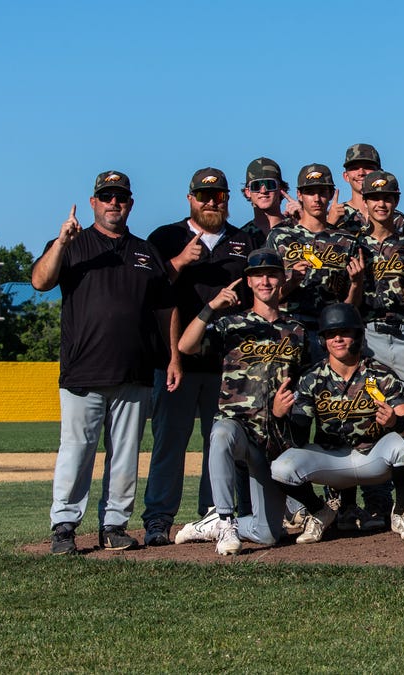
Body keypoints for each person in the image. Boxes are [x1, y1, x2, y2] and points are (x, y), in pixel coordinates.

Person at [33, 170, 177, 554]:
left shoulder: (146, 251)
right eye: (107, 196)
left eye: (121, 197)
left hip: (135, 370)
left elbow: (165, 309)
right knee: (77, 450)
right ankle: (64, 524)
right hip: (84, 370)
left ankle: (114, 524)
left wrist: (173, 357)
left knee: (126, 453)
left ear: (130, 203)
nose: (115, 203)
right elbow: (40, 282)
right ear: (94, 201)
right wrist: (61, 241)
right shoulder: (73, 245)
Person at [143, 167, 257, 547]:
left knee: (218, 442)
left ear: (227, 198)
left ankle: (214, 512)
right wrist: (178, 262)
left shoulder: (242, 241)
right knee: (170, 442)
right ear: (189, 199)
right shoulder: (166, 236)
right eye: (203, 196)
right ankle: (158, 518)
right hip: (176, 360)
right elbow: (146, 292)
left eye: (218, 196)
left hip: (227, 363)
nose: (211, 202)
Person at [172, 249, 307, 555]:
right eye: (258, 275)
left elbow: (306, 382)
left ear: (283, 278)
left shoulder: (297, 331)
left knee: (269, 533)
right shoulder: (232, 324)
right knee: (220, 432)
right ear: (249, 280)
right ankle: (223, 518)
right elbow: (186, 345)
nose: (265, 281)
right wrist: (210, 307)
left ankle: (214, 523)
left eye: (272, 274)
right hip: (240, 430)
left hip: (273, 441)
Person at [270, 303, 404, 542]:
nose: (338, 339)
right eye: (331, 334)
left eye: (345, 332)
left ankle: (402, 511)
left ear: (359, 335)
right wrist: (280, 415)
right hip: (332, 460)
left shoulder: (380, 374)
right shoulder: (312, 378)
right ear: (323, 340)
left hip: (374, 457)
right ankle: (320, 511)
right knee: (281, 468)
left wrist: (395, 422)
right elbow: (299, 439)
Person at [337, 170, 404, 532]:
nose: (382, 203)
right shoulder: (351, 244)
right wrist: (355, 283)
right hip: (367, 335)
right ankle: (369, 502)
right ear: (364, 202)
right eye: (375, 198)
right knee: (369, 415)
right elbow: (346, 309)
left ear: (396, 201)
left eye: (389, 198)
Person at [267, 163, 366, 361]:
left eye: (322, 192)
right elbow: (266, 296)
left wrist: (356, 283)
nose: (317, 199)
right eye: (310, 192)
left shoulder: (346, 240)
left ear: (330, 194)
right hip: (288, 330)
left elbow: (351, 305)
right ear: (300, 195)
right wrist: (291, 283)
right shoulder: (280, 236)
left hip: (330, 333)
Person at [329, 143, 387, 235]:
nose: (361, 173)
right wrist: (330, 225)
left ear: (380, 173)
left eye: (368, 167)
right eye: (354, 168)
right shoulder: (336, 215)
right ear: (346, 176)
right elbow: (313, 246)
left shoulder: (395, 217)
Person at [239, 157, 291, 248]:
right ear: (247, 192)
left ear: (281, 189)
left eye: (270, 184)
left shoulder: (297, 229)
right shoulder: (241, 237)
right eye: (256, 186)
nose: (263, 191)